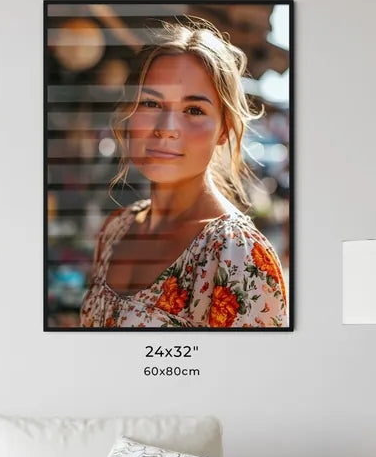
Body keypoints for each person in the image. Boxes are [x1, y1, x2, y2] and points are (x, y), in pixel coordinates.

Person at [80, 19, 288, 328]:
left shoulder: (238, 255)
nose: (166, 130)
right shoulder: (116, 230)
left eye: (194, 110)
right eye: (151, 103)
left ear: (224, 130)